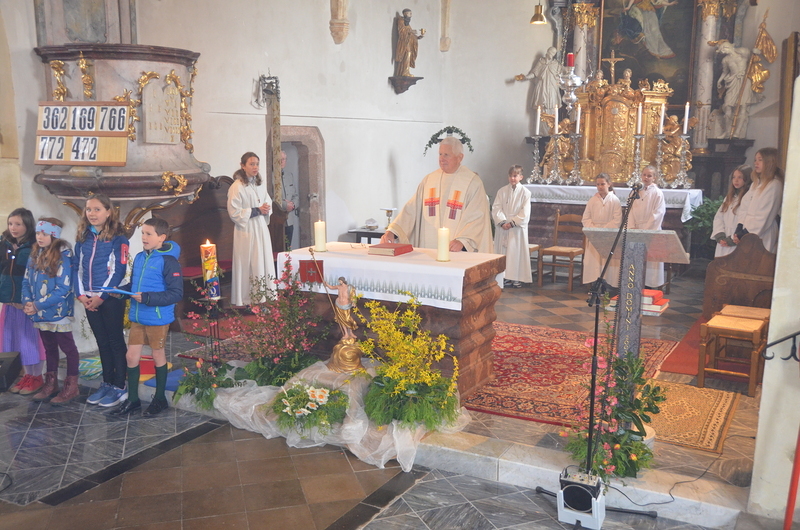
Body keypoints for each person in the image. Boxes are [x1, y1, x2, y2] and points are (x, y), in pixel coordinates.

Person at [112, 217, 183, 416]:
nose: (143, 237)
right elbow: (135, 285)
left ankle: (160, 399)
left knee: (157, 355)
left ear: (162, 237)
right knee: (131, 356)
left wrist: (147, 298)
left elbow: (176, 293)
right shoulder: (140, 257)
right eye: (142, 233)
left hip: (157, 317)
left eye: (148, 234)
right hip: (138, 315)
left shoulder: (169, 261)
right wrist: (121, 292)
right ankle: (133, 400)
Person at [380, 136, 493, 253]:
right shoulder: (429, 180)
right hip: (428, 251)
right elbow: (411, 209)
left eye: (446, 155)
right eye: (440, 154)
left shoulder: (472, 183)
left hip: (457, 252)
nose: (441, 159)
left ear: (460, 157)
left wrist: (463, 241)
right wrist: (393, 232)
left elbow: (477, 217)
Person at [75, 194, 130, 407]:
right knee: (102, 341)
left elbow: (119, 270)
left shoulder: (118, 238)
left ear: (108, 212)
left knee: (115, 341)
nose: (92, 213)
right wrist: (82, 295)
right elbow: (76, 268)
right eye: (89, 209)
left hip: (110, 297)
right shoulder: (84, 237)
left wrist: (101, 296)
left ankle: (120, 385)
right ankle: (107, 383)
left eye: (97, 209)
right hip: (89, 297)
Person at [22, 218, 80, 403]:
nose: (39, 237)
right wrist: (27, 302)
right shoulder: (35, 254)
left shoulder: (64, 256)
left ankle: (71, 386)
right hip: (39, 313)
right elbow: (26, 281)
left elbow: (63, 289)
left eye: (44, 234)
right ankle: (51, 383)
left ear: (54, 236)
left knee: (68, 348)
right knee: (49, 348)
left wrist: (37, 305)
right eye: (38, 233)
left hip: (58, 312)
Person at [2, 208, 45, 395]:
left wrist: (29, 300)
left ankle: (37, 376)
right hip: (10, 302)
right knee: (14, 340)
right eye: (11, 223)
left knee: (30, 341)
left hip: (27, 303)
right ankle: (26, 375)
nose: (13, 228)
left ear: (27, 225)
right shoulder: (5, 243)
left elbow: (38, 276)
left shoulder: (35, 246)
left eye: (18, 224)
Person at [228, 152, 276, 306]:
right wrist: (256, 210)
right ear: (243, 166)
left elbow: (267, 201)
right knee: (250, 263)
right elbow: (234, 212)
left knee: (262, 260)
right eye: (251, 164)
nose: (255, 167)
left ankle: (264, 297)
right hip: (247, 230)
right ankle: (247, 300)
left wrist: (266, 208)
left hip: (260, 227)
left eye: (257, 164)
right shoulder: (237, 186)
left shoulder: (259, 184)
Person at [734, 148, 783, 253]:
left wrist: (745, 233)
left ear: (770, 162)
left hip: (763, 233)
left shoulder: (774, 184)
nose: (756, 163)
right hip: (747, 231)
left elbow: (763, 215)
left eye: (760, 160)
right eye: (755, 160)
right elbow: (744, 206)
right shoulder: (756, 183)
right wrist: (740, 226)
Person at [492, 165, 532, 288]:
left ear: (521, 177)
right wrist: (503, 222)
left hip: (516, 228)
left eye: (515, 176)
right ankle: (504, 277)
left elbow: (525, 212)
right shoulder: (502, 191)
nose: (512, 178)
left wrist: (513, 223)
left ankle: (516, 277)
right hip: (504, 227)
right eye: (510, 176)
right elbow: (496, 208)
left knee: (515, 253)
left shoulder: (525, 192)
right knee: (504, 252)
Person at [715, 41, 763, 139]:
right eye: (721, 50)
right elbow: (725, 72)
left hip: (744, 81)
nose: (723, 51)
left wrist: (756, 52)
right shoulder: (725, 60)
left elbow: (754, 59)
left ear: (730, 46)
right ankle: (727, 132)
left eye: (724, 48)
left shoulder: (742, 52)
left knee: (742, 106)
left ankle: (737, 132)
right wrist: (719, 81)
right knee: (727, 106)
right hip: (732, 81)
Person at [582, 174, 622, 287]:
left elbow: (617, 220)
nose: (600, 187)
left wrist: (603, 231)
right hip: (594, 235)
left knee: (607, 261)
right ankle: (595, 283)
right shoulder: (592, 200)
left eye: (603, 184)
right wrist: (595, 230)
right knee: (594, 260)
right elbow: (585, 218)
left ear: (609, 184)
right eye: (598, 184)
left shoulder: (615, 200)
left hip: (609, 235)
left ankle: (607, 284)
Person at [628, 166, 665, 287]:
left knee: (651, 260)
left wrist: (645, 231)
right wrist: (632, 227)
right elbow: (630, 210)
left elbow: (658, 214)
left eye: (649, 175)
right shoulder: (635, 192)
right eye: (644, 175)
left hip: (650, 230)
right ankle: (635, 282)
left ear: (654, 178)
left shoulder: (657, 193)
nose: (646, 177)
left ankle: (651, 285)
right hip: (636, 229)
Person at [711, 165, 752, 257]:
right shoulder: (729, 198)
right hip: (724, 239)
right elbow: (719, 217)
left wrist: (733, 238)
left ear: (747, 179)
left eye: (740, 177)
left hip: (737, 239)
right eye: (734, 177)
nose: (736, 180)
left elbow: (747, 221)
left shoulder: (748, 198)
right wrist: (720, 236)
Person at [516, 47, 561, 124]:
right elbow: (534, 73)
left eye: (554, 53)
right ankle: (541, 130)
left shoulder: (556, 64)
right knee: (541, 108)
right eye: (551, 52)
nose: (552, 54)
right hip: (542, 87)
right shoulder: (541, 62)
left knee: (552, 108)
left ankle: (551, 129)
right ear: (548, 52)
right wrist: (525, 77)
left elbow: (564, 71)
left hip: (552, 88)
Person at [323, 276, 357, 341]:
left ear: (343, 281)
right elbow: (331, 287)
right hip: (338, 304)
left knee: (347, 319)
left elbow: (353, 295)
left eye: (340, 281)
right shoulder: (339, 287)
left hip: (346, 305)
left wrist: (354, 302)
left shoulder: (349, 287)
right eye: (339, 281)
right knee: (341, 319)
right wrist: (326, 284)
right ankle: (346, 333)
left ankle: (350, 332)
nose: (339, 282)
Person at [394, 9, 424, 77]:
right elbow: (401, 32)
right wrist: (411, 31)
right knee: (407, 54)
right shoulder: (401, 21)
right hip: (404, 43)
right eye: (409, 13)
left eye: (411, 14)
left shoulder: (407, 23)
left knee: (409, 54)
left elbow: (410, 34)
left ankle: (407, 71)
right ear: (405, 14)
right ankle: (404, 72)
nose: (411, 15)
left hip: (408, 42)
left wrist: (418, 37)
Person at [280, 150, 299, 249]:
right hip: (278, 219)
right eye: (279, 159)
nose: (282, 161)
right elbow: (270, 197)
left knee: (288, 248)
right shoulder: (270, 176)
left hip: (289, 219)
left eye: (284, 159)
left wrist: (293, 205)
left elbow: (295, 195)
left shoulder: (289, 175)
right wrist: (284, 205)